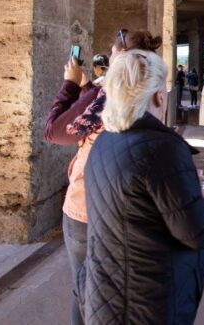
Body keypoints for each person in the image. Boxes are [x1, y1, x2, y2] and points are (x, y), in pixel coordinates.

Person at [79, 46, 204, 324]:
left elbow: (133, 210)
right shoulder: (162, 148)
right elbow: (197, 233)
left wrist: (187, 195)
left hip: (107, 292)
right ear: (160, 97)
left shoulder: (104, 142)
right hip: (146, 300)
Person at [44, 28, 158, 325]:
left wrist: (69, 86)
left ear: (119, 57)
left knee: (84, 288)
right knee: (116, 289)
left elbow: (56, 131)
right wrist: (87, 89)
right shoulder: (151, 92)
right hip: (127, 207)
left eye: (111, 52)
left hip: (87, 206)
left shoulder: (107, 93)